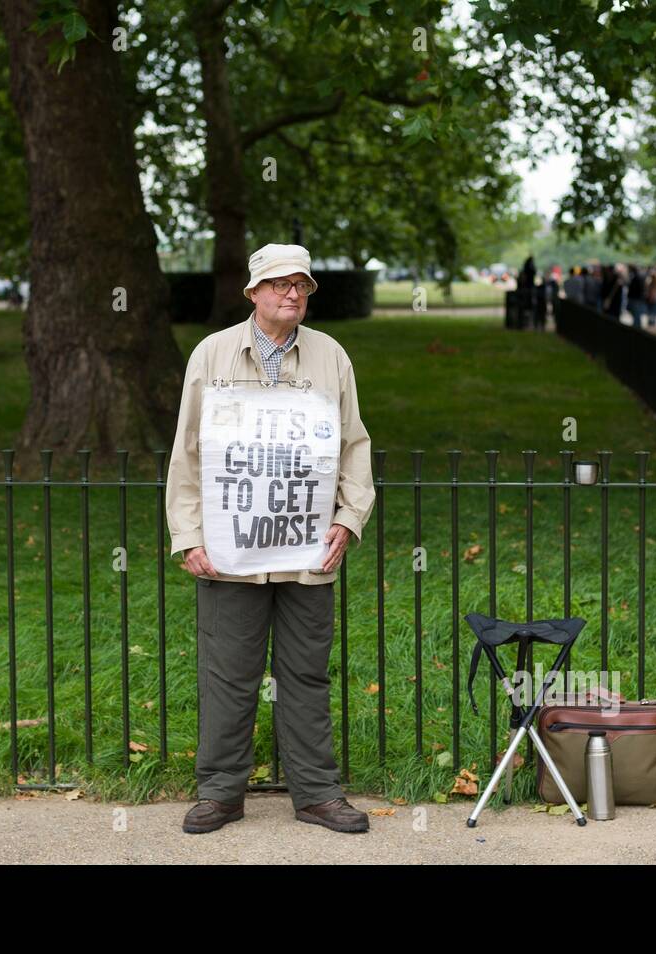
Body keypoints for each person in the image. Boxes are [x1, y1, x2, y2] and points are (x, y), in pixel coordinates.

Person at [166, 242, 376, 836]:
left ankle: (316, 793)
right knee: (227, 671)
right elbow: (186, 452)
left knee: (306, 672)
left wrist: (347, 518)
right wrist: (189, 536)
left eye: (302, 285)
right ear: (254, 293)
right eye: (281, 284)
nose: (293, 293)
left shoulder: (331, 357)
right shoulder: (211, 355)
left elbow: (354, 445)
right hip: (231, 551)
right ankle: (221, 793)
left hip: (309, 547)